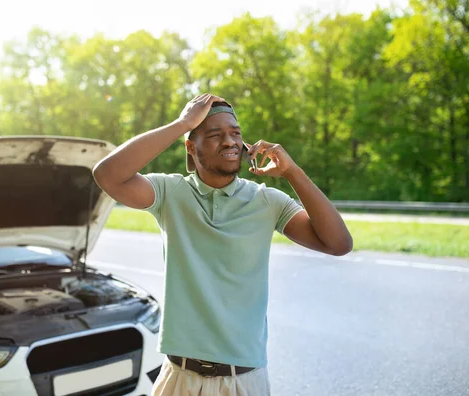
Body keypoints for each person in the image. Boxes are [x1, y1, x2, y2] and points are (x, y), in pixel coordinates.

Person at [92, 93, 353, 395]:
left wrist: (292, 172)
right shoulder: (170, 193)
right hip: (179, 376)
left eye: (235, 134)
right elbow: (107, 175)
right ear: (191, 147)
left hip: (242, 380)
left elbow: (338, 243)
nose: (229, 142)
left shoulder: (267, 200)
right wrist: (183, 123)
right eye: (215, 135)